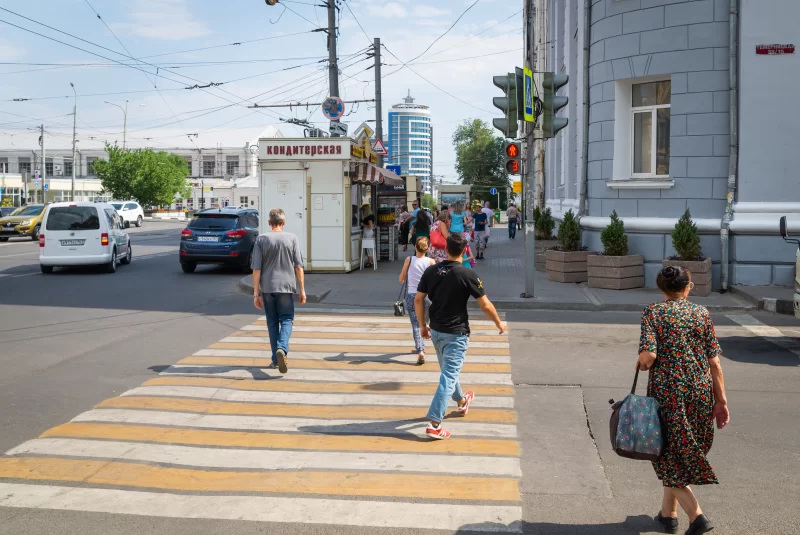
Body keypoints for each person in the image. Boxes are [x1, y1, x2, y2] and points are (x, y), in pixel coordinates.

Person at [637, 266, 729, 535]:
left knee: (665, 454)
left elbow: (649, 356)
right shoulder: (701, 313)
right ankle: (668, 515)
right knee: (674, 454)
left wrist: (641, 363)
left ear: (661, 288)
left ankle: (697, 516)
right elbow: (714, 361)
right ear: (688, 287)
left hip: (669, 394)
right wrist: (721, 401)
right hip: (699, 392)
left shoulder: (654, 312)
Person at [414, 232, 506, 439]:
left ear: (446, 249)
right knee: (448, 376)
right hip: (456, 333)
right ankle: (434, 423)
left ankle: (462, 401)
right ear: (464, 250)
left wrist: (422, 325)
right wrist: (499, 322)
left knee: (448, 372)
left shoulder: (431, 271)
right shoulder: (467, 274)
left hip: (436, 331)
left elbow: (418, 300)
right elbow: (485, 304)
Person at [252, 208, 307, 374]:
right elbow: (299, 266)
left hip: (267, 288)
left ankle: (276, 360)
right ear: (283, 223)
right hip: (286, 287)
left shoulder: (261, 239)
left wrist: (256, 293)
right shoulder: (292, 238)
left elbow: (256, 269)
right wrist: (302, 290)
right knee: (287, 319)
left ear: (269, 223)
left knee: (272, 323)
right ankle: (282, 348)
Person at [399, 237, 435, 365]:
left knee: (416, 324)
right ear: (427, 248)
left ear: (415, 247)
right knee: (425, 321)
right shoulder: (431, 262)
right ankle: (426, 329)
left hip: (412, 296)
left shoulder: (409, 260)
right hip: (427, 296)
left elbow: (401, 278)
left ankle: (420, 351)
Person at [361, 204, 376, 268]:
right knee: (369, 247)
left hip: (367, 232)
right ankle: (371, 260)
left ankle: (371, 261)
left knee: (368, 247)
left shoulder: (368, 217)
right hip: (369, 232)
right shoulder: (372, 216)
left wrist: (363, 224)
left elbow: (370, 226)